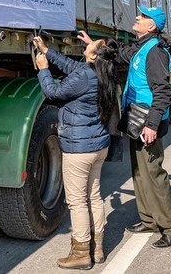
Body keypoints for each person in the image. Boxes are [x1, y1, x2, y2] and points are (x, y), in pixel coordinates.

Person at [78, 6, 171, 249]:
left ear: (151, 26)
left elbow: (162, 91)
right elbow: (118, 57)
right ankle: (149, 219)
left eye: (143, 16)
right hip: (137, 120)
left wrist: (152, 124)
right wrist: (94, 45)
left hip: (147, 122)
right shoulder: (142, 47)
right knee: (139, 173)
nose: (137, 18)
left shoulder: (155, 52)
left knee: (154, 174)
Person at [33, 35, 119, 270]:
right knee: (94, 196)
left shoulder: (85, 75)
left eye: (93, 42)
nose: (87, 42)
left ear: (94, 53)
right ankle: (97, 248)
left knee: (77, 201)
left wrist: (43, 69)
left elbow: (53, 93)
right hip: (98, 145)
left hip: (79, 147)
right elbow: (72, 67)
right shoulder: (103, 71)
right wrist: (47, 51)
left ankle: (81, 253)